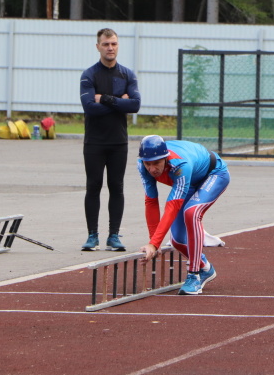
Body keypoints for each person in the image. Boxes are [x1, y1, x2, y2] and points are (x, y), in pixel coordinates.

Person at [137, 135, 230, 295]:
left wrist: (155, 243)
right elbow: (151, 202)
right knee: (178, 240)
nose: (152, 169)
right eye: (148, 164)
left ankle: (194, 275)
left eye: (157, 163)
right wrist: (154, 241)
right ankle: (204, 267)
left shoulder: (179, 166)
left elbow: (171, 207)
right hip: (190, 182)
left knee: (192, 213)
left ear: (165, 158)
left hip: (214, 174)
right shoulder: (142, 166)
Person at [79, 28, 141, 251]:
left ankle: (113, 236)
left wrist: (104, 99)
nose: (110, 48)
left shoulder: (127, 74)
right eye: (106, 44)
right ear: (98, 46)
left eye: (113, 44)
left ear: (118, 45)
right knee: (93, 187)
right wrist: (118, 103)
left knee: (117, 187)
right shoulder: (89, 75)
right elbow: (89, 109)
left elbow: (134, 105)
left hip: (118, 142)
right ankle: (92, 235)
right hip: (94, 142)